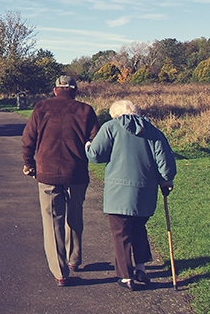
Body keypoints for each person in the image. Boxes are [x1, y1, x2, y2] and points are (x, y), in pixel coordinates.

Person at [85, 100, 176, 291]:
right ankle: (141, 268)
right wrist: (166, 180)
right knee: (139, 228)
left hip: (118, 192)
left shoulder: (111, 127)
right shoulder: (152, 131)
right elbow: (165, 162)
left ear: (115, 114)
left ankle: (126, 276)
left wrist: (87, 146)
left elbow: (95, 155)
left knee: (121, 233)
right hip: (145, 191)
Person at [21, 75, 99, 286]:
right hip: (77, 173)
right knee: (75, 215)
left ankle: (60, 272)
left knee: (52, 221)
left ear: (55, 90)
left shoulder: (41, 108)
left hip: (47, 172)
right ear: (75, 90)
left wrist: (29, 163)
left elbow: (28, 138)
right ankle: (74, 259)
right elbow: (95, 141)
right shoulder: (86, 110)